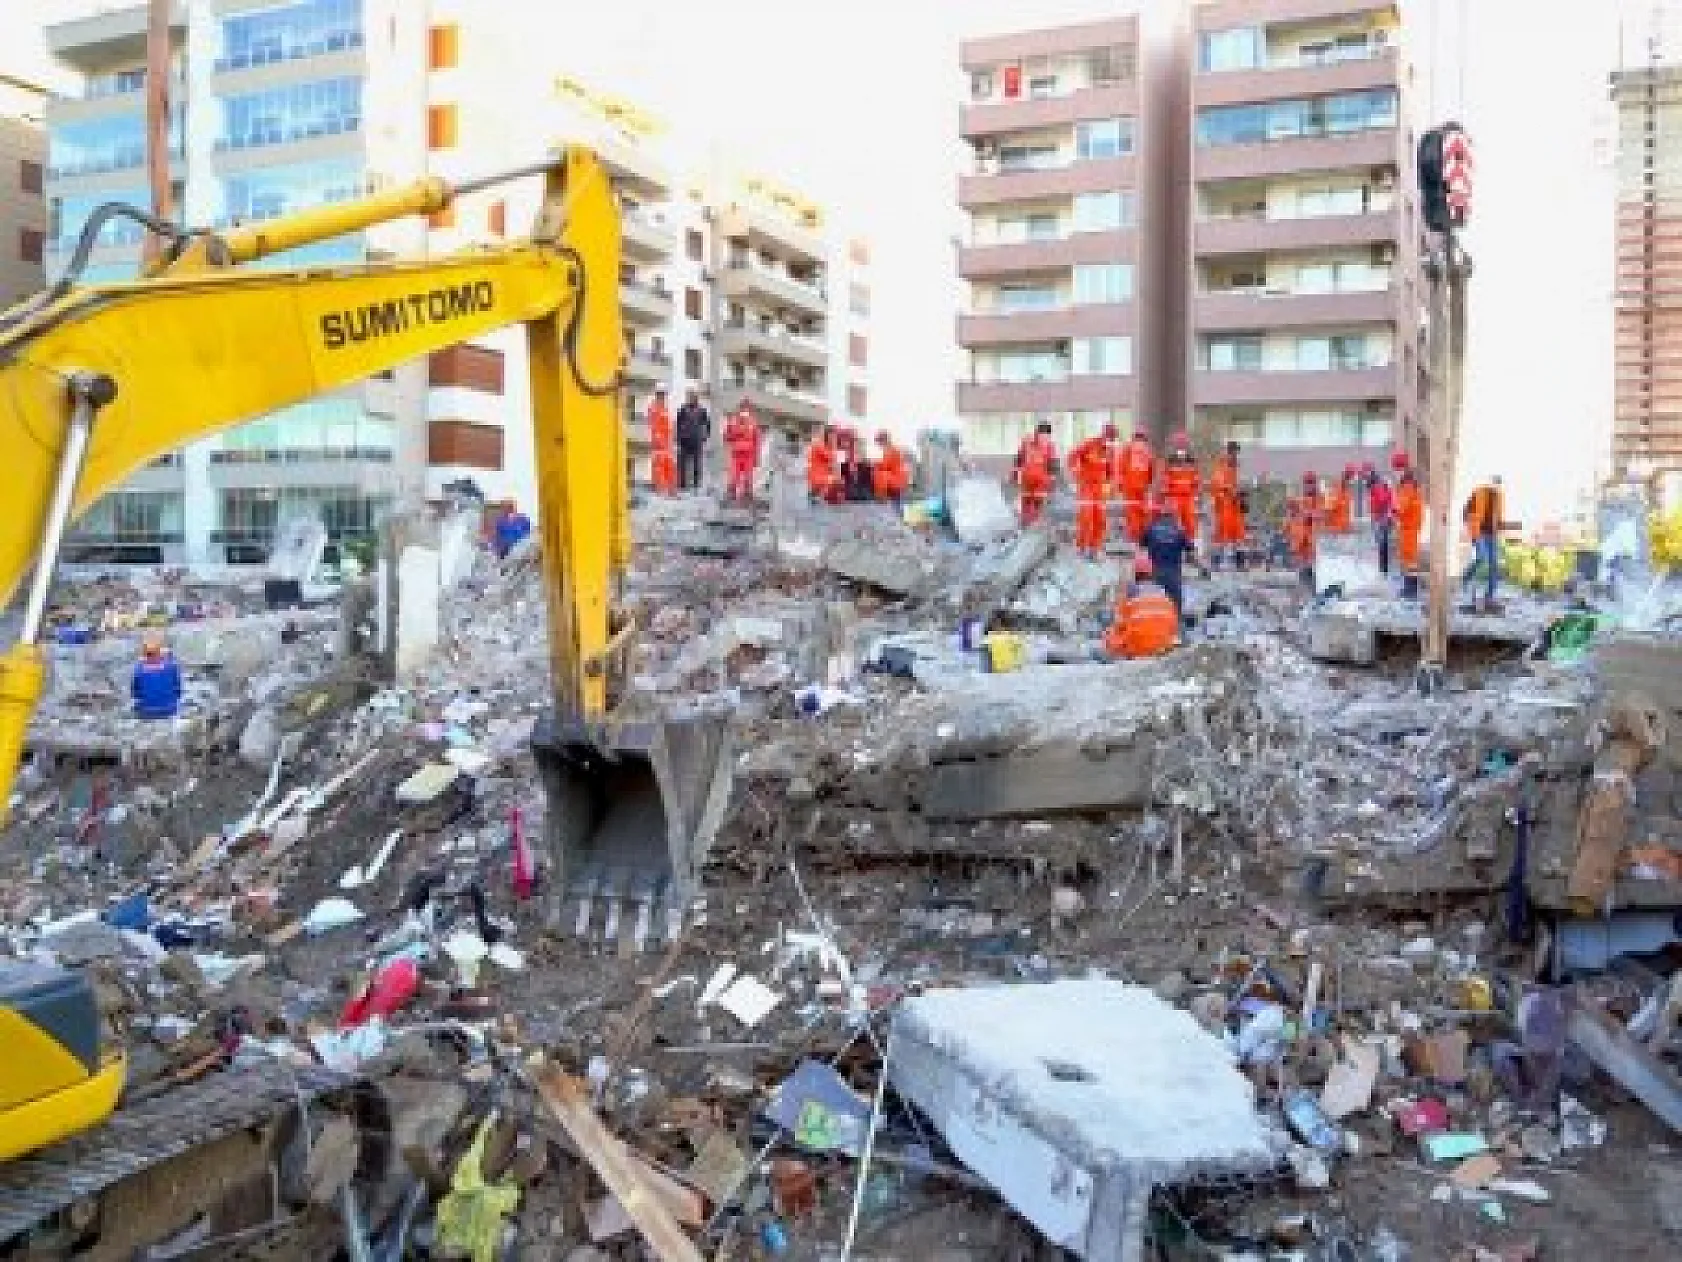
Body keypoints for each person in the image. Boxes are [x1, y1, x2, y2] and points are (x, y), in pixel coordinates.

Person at [1104, 554, 1180, 660]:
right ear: (1152, 573)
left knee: (1110, 633)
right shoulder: (1162, 592)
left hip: (1138, 647)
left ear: (1135, 574)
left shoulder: (1131, 592)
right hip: (1163, 646)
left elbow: (1119, 623)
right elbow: (1173, 625)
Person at [1067, 425, 1116, 560]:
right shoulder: (1090, 444)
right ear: (1103, 435)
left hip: (1100, 488)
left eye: (1112, 439)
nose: (1109, 441)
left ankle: (1095, 548)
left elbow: (1111, 470)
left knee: (1100, 518)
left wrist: (1110, 484)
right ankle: (1082, 546)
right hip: (1086, 486)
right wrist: (1075, 472)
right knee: (1086, 516)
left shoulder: (1110, 451)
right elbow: (1072, 456)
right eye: (1108, 437)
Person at [1140, 498, 1194, 619]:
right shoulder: (1179, 531)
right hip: (1173, 573)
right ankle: (1175, 625)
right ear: (1173, 515)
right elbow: (1191, 554)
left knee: (1155, 604)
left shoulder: (1151, 528)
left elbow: (1141, 548)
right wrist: (1203, 569)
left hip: (1154, 571)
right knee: (1175, 607)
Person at [1462, 474, 1508, 604]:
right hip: (1478, 532)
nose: (1496, 486)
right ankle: (1467, 577)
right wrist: (1472, 530)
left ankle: (1490, 594)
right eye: (1495, 483)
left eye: (1498, 485)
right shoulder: (1478, 492)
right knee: (1481, 557)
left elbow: (1498, 516)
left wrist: (1500, 528)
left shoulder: (1500, 497)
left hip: (1492, 534)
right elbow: (1466, 513)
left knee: (1494, 564)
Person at [1113, 429, 1156, 544]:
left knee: (1134, 512)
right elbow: (1152, 469)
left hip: (1132, 486)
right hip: (1140, 486)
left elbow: (1120, 467)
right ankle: (1140, 535)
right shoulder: (1147, 451)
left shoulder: (1128, 450)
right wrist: (1150, 484)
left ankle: (1136, 536)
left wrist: (1119, 484)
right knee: (1141, 511)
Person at [1011, 421, 1058, 528]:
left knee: (1038, 502)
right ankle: (1024, 523)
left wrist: (1053, 479)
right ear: (1037, 433)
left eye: (1046, 436)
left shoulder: (1050, 446)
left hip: (1041, 481)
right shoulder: (1027, 443)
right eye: (1042, 435)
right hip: (1027, 479)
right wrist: (1015, 473)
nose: (1044, 439)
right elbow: (1019, 459)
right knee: (1026, 502)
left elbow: (1052, 463)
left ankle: (1034, 523)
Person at [1208, 440, 1246, 567]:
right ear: (1228, 452)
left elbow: (1239, 484)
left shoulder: (1236, 467)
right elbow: (1217, 484)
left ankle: (1239, 561)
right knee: (1221, 532)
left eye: (1236, 453)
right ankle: (1216, 560)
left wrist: (1242, 497)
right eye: (1233, 452)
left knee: (1239, 533)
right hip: (1224, 504)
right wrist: (1230, 491)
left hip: (1235, 505)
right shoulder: (1221, 465)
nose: (1235, 455)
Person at [1394, 452, 1425, 599]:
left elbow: (1401, 506)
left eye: (1396, 468)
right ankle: (1410, 588)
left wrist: (1393, 512)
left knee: (1410, 559)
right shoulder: (1410, 482)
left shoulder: (1407, 485)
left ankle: (1411, 590)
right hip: (1410, 525)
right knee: (1409, 558)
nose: (1395, 471)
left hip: (1409, 526)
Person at [1160, 430, 1201, 542]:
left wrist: (1197, 494)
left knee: (1190, 522)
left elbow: (1196, 478)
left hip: (1189, 497)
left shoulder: (1192, 461)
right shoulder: (1170, 460)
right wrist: (1166, 496)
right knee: (1175, 522)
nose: (1181, 445)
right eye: (1179, 443)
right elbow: (1165, 478)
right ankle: (1175, 544)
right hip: (1175, 497)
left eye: (1183, 443)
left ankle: (1190, 544)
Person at [131, 636, 182, 720]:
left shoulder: (138, 668)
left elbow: (135, 693)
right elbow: (178, 690)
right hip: (169, 710)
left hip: (146, 711)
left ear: (144, 654)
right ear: (159, 653)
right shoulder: (171, 666)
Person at [722, 400, 762, 505]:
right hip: (736, 453)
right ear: (739, 409)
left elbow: (757, 440)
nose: (745, 410)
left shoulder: (753, 423)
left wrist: (756, 457)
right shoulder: (733, 421)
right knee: (734, 475)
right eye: (743, 408)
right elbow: (727, 437)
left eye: (747, 408)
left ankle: (747, 495)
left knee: (748, 476)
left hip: (749, 454)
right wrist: (735, 432)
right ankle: (731, 494)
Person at [674, 387, 710, 491]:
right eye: (689, 396)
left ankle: (696, 484)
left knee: (697, 463)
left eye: (692, 396)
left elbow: (707, 424)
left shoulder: (702, 410)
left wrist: (705, 436)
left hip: (696, 440)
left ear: (696, 398)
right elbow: (678, 424)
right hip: (684, 440)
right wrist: (678, 438)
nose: (690, 398)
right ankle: (682, 484)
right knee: (682, 463)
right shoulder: (682, 409)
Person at [1368, 460, 1397, 575]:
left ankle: (1384, 569)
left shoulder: (1377, 487)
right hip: (1383, 517)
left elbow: (1381, 501)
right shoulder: (1379, 485)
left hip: (1382, 518)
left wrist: (1379, 514)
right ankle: (1384, 568)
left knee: (1383, 544)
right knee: (1383, 543)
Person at [648, 386, 677, 495]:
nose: (663, 398)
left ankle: (671, 489)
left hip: (667, 443)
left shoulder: (665, 409)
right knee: (659, 466)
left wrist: (672, 440)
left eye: (664, 396)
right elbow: (654, 426)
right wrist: (658, 439)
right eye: (661, 395)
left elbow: (670, 426)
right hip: (659, 444)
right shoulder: (654, 408)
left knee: (670, 466)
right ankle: (660, 489)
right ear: (657, 396)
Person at [871, 431, 910, 508]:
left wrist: (876, 465)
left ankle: (881, 498)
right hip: (897, 480)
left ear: (884, 440)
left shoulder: (890, 450)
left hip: (896, 480)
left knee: (879, 474)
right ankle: (883, 498)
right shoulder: (891, 449)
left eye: (879, 442)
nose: (879, 445)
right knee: (896, 503)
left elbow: (886, 465)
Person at [806, 427, 840, 504]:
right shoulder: (820, 445)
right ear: (827, 435)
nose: (834, 438)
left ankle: (816, 496)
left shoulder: (823, 445)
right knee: (835, 481)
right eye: (833, 436)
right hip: (818, 477)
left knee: (817, 499)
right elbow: (831, 457)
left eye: (834, 437)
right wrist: (834, 445)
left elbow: (832, 462)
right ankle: (816, 497)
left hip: (819, 477)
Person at [1324, 464, 1356, 535]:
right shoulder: (1335, 490)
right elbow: (1328, 511)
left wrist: (1349, 526)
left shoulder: (1348, 492)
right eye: (1348, 477)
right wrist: (1330, 528)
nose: (1349, 481)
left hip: (1344, 529)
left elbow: (1347, 512)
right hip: (1335, 530)